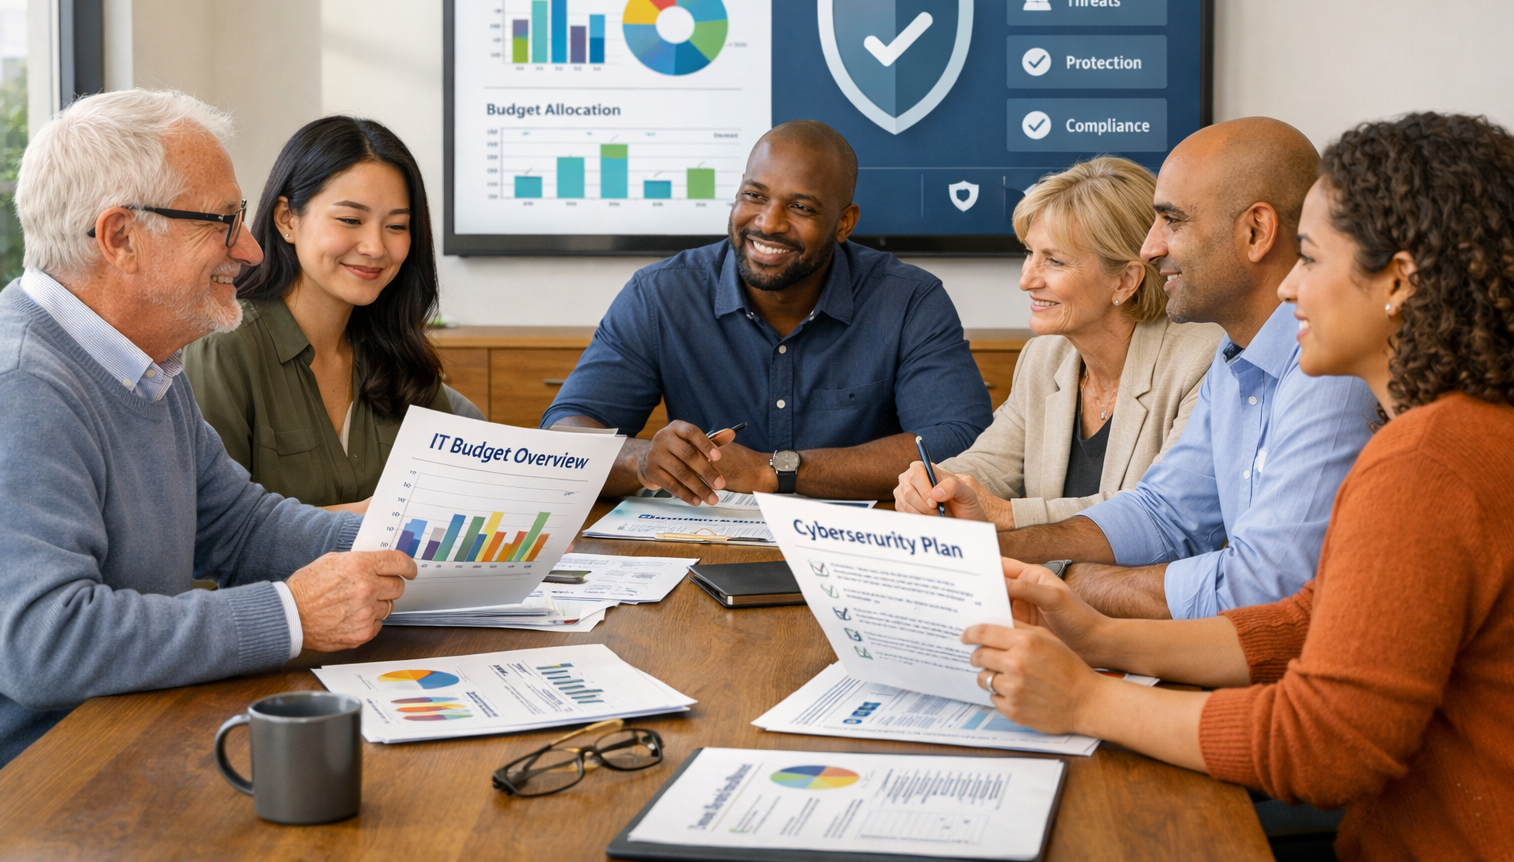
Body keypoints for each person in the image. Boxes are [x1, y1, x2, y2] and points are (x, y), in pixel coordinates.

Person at [963, 112, 1514, 861]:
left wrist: (1090, 697)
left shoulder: (1427, 460)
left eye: (1312, 260)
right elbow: (1309, 617)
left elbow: (1324, 743)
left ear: (1398, 281)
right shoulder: (1453, 432)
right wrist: (1099, 635)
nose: (1290, 287)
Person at [0, 90, 414, 784]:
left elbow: (239, 527)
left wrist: (412, 536)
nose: (247, 249)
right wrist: (290, 615)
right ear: (120, 236)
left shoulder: (143, 358)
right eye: (223, 222)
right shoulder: (20, 384)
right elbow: (42, 643)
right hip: (39, 790)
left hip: (132, 735)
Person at [926, 118, 1379, 620]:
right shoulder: (1235, 360)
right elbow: (1163, 513)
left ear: (1256, 232)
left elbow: (1263, 588)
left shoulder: (1330, 370)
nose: (1149, 247)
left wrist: (1061, 578)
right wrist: (1003, 547)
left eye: (1173, 220)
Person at [542, 119, 993, 503]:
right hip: (702, 542)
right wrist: (642, 461)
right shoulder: (660, 294)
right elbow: (564, 433)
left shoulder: (910, 299)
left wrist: (775, 470)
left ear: (844, 223)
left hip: (859, 549)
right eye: (754, 196)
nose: (768, 223)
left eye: (800, 207)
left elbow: (960, 440)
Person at [893, 157, 1223, 529]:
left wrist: (1006, 513)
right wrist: (935, 483)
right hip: (1046, 578)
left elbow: (1159, 509)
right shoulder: (1044, 357)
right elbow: (990, 463)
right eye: (1029, 253)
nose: (1026, 280)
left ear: (1125, 281)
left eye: (1054, 261)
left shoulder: (1204, 360)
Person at [184, 116, 481, 512]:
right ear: (287, 219)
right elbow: (210, 536)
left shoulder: (395, 352)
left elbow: (458, 494)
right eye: (350, 220)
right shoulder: (224, 347)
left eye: (396, 226)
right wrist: (380, 515)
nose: (375, 246)